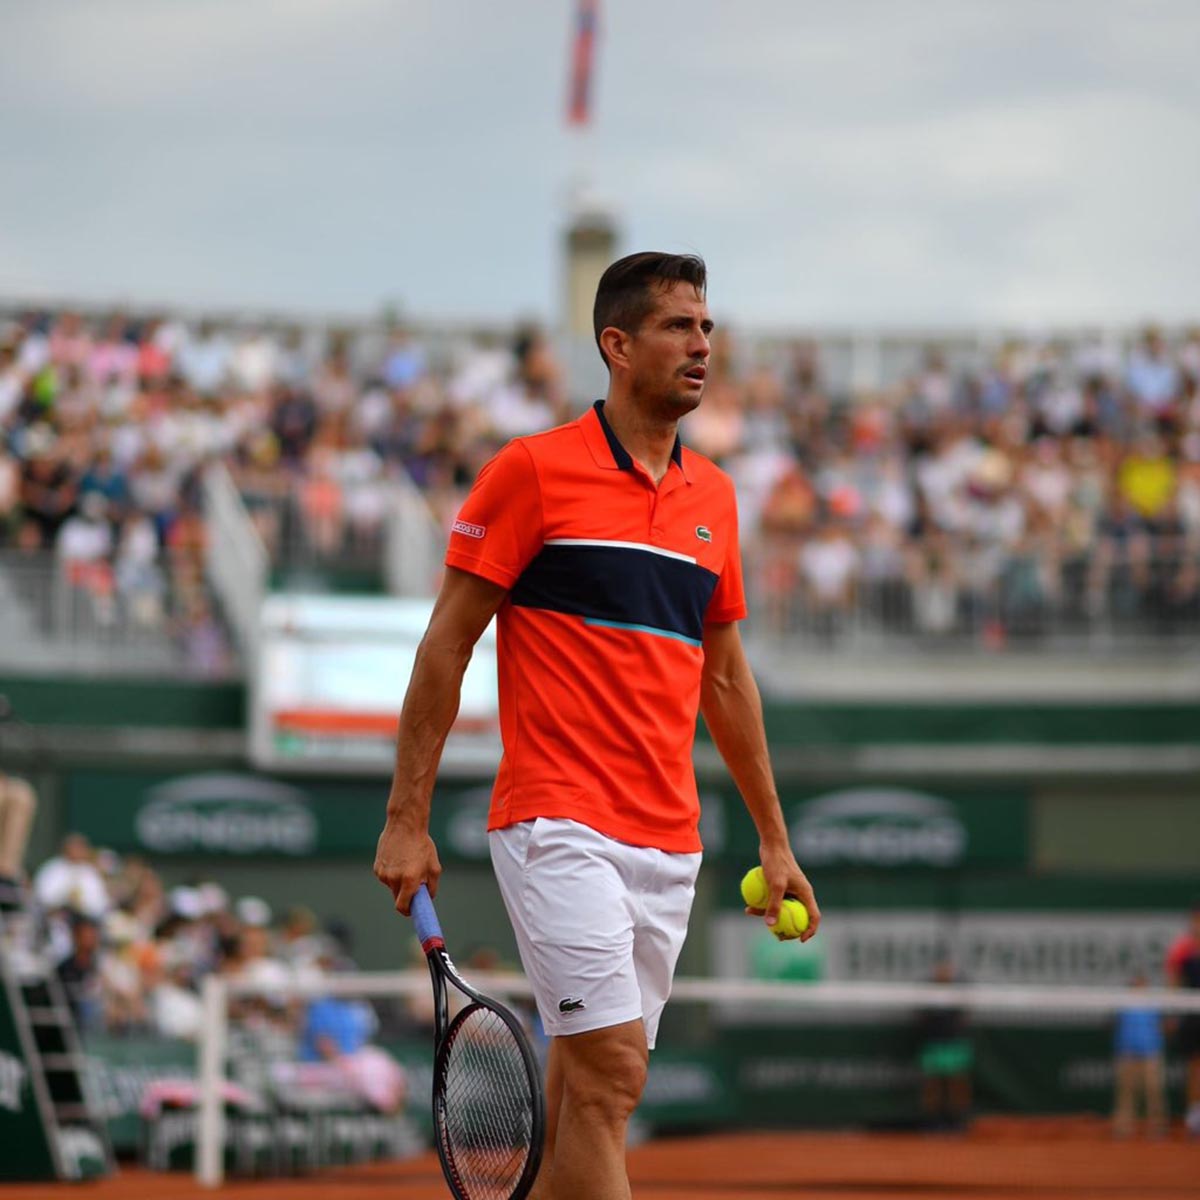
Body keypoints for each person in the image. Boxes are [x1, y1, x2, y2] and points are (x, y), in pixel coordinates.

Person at [374, 252, 820, 1200]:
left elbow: (728, 681)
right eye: (677, 327)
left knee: (591, 1096)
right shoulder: (532, 470)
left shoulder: (718, 499)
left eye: (707, 326)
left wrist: (775, 840)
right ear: (616, 346)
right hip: (557, 821)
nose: (702, 344)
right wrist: (406, 817)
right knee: (614, 1071)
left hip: (670, 840)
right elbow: (445, 647)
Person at [1111, 973, 1167, 1138]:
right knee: (1126, 1092)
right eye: (1136, 983)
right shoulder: (1123, 1003)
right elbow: (1115, 1023)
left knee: (1153, 1091)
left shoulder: (1154, 1003)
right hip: (1127, 1053)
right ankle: (1123, 1128)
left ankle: (1158, 1128)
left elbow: (1163, 1025)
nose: (1139, 986)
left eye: (1142, 984)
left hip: (1150, 1053)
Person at [1165, 900, 1200, 1135]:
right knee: (1195, 1067)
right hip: (1192, 1015)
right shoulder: (1182, 948)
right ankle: (1194, 1118)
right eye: (1196, 919)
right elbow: (1174, 984)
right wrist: (1172, 1012)